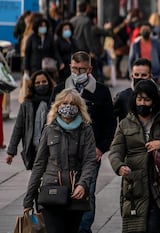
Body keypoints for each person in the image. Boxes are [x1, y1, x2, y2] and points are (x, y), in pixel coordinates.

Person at [50, 51, 116, 233]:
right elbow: (51, 120)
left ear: (90, 69)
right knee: (63, 190)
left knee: (87, 192)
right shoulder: (60, 90)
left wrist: (101, 147)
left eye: (82, 69)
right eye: (74, 68)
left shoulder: (101, 91)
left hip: (90, 152)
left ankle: (83, 229)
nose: (78, 72)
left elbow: (110, 122)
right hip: (62, 152)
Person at [109, 80, 160, 233]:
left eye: (147, 99)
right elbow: (116, 150)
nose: (142, 103)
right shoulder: (125, 124)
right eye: (139, 99)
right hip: (134, 184)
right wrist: (119, 166)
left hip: (159, 184)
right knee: (134, 228)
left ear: (154, 101)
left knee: (153, 226)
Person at [23, 88, 97, 233]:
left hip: (75, 193)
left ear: (79, 107)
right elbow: (39, 165)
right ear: (58, 106)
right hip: (51, 192)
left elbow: (90, 161)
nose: (68, 107)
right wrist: (28, 199)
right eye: (64, 103)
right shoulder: (49, 129)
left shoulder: (85, 130)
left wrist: (82, 184)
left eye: (72, 103)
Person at [6, 70, 55, 170]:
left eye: (44, 82)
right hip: (33, 150)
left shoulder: (56, 102)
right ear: (33, 85)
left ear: (49, 83)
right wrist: (11, 151)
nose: (41, 85)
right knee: (35, 182)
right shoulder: (27, 104)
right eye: (37, 83)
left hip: (52, 150)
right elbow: (18, 128)